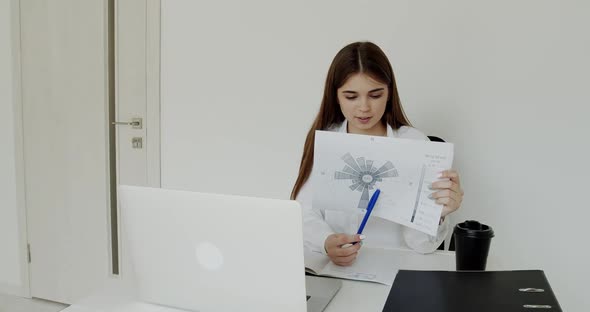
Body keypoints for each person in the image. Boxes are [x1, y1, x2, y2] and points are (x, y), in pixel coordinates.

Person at [290, 41, 464, 266]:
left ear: (389, 93)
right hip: (336, 270)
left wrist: (438, 214)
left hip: (398, 271)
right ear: (335, 96)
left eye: (375, 95)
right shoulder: (326, 141)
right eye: (351, 96)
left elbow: (422, 245)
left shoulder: (414, 144)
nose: (364, 107)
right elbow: (303, 212)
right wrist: (326, 241)